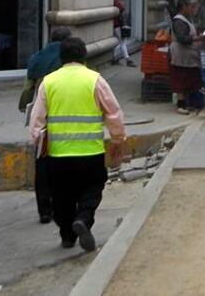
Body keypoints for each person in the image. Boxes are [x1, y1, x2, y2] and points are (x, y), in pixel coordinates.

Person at [28, 37, 125, 252]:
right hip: (91, 152)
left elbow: (37, 120)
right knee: (92, 188)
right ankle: (83, 218)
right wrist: (118, 139)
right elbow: (114, 112)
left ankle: (67, 237)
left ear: (61, 57)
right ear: (84, 57)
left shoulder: (49, 82)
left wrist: (37, 142)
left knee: (62, 197)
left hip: (58, 154)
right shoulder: (95, 80)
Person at [19, 26, 72, 224]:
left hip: (42, 118)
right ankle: (63, 205)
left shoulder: (37, 58)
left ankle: (44, 210)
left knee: (42, 163)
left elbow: (27, 90)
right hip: (64, 116)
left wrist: (24, 107)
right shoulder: (68, 59)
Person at [169, 0, 204, 115]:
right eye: (192, 7)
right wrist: (197, 38)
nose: (194, 9)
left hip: (189, 55)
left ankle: (189, 103)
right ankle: (181, 104)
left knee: (191, 78)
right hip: (180, 55)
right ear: (184, 7)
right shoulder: (179, 20)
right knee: (181, 80)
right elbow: (182, 38)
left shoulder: (188, 19)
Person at [113, 0, 135, 67]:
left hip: (116, 24)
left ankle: (115, 58)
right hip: (118, 25)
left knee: (119, 42)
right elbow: (122, 7)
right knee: (122, 42)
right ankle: (127, 59)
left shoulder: (114, 1)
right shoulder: (116, 1)